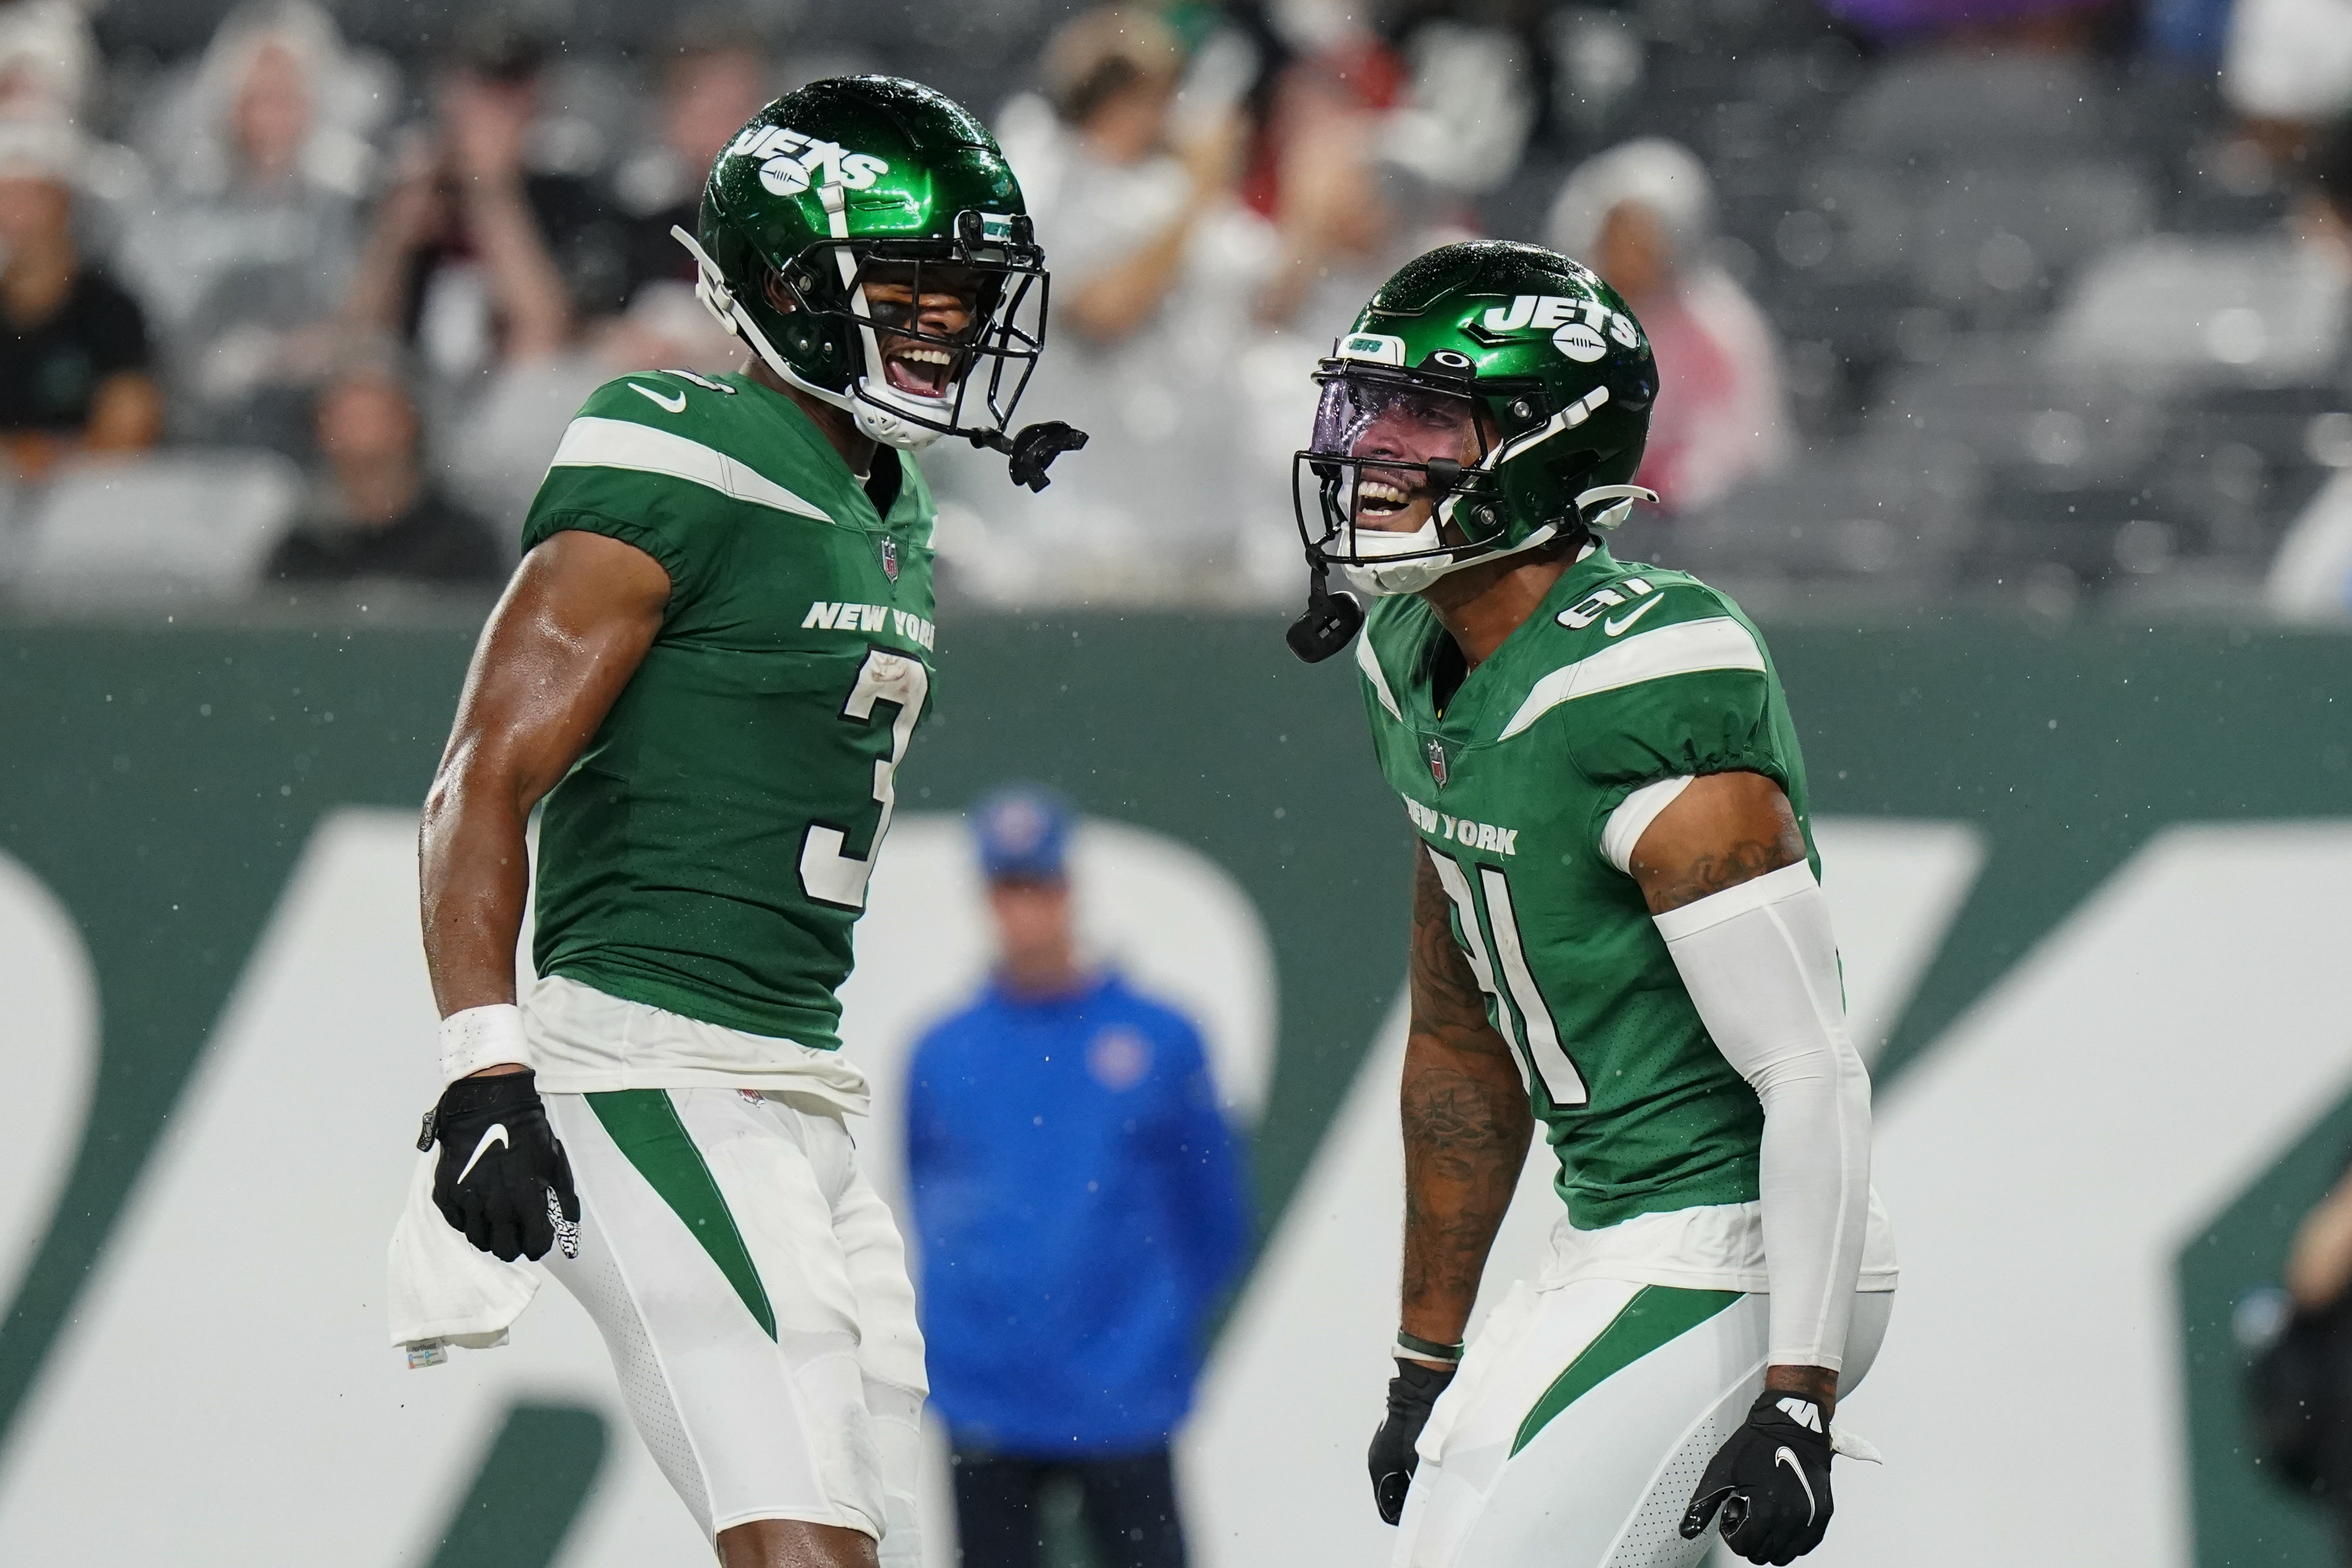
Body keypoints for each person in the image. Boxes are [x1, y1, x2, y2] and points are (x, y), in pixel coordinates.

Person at [413, 77, 1080, 1568]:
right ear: (785, 287)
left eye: (960, 299)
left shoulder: (891, 495)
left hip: (792, 1087)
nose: (946, 331)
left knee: (858, 1538)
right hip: (643, 1063)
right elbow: (481, 775)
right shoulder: (676, 440)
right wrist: (484, 1063)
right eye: (905, 293)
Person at [1279, 240, 1898, 1566]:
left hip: (1733, 1237)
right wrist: (1421, 1353)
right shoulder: (1409, 652)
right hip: (1606, 1226)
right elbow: (1458, 1032)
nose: (1372, 447)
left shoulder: (1646, 675)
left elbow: (1808, 1068)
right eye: (1368, 406)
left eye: (1425, 416)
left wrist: (1801, 1389)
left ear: (1547, 451)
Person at [904, 786, 1249, 1568]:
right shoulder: (943, 1052)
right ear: (988, 898)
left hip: (1123, 1393)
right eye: (1007, 889)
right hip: (986, 1396)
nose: (1026, 911)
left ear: (1069, 888)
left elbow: (1215, 1215)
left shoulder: (1160, 1038)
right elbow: (925, 1201)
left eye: (1039, 885)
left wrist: (1144, 1337)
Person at [120, 0, 380, 454]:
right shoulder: (181, 193)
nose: (270, 113)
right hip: (191, 406)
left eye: (286, 96)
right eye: (257, 96)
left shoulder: (352, 190)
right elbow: (152, 301)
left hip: (317, 408)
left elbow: (361, 306)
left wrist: (285, 357)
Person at [1547, 139, 1792, 516]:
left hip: (1688, 525)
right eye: (1616, 234)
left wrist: (1674, 474)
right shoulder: (1557, 313)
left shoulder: (1718, 326)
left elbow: (1745, 439)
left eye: (1643, 238)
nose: (1627, 252)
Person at [0, 120, 159, 479]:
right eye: (6, 198)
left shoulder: (110, 310)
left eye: (32, 197)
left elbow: (132, 421)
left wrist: (45, 462)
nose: (17, 216)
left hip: (95, 504)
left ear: (64, 203)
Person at [263, 348, 498, 586]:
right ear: (320, 433)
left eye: (374, 418)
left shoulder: (462, 543)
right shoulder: (303, 550)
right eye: (348, 419)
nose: (360, 434)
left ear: (410, 425)